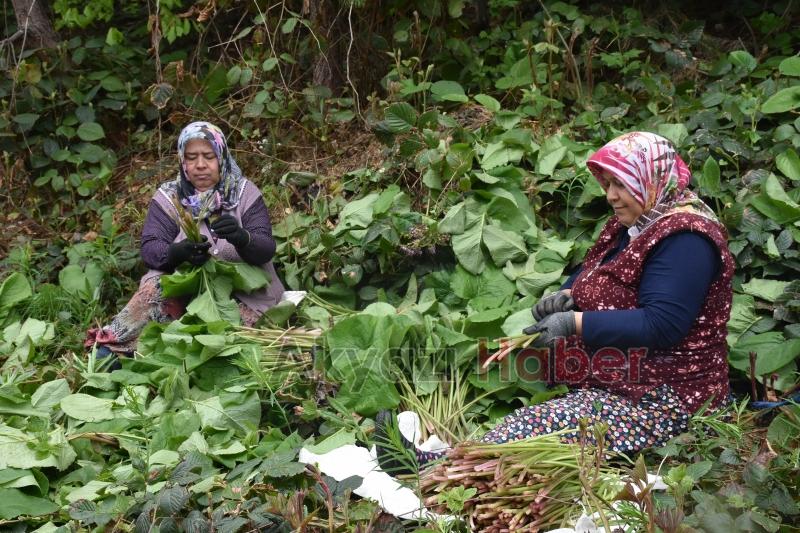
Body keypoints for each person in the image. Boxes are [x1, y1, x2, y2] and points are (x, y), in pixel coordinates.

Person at [377, 131, 733, 470]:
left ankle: (432, 467)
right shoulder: (637, 221)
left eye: (620, 184)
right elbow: (599, 269)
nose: (610, 195)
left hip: (663, 397)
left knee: (543, 425)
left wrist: (573, 323)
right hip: (616, 376)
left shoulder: (686, 239)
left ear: (652, 179)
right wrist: (567, 294)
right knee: (507, 369)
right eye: (607, 184)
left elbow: (662, 324)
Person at [86, 121, 284, 356]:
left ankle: (177, 356)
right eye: (191, 158)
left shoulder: (244, 193)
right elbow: (151, 247)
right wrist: (177, 252)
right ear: (182, 160)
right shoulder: (169, 197)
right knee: (154, 294)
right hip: (182, 294)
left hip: (242, 296)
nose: (200, 165)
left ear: (221, 157)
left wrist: (242, 238)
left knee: (220, 341)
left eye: (208, 156)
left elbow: (265, 247)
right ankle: (114, 348)